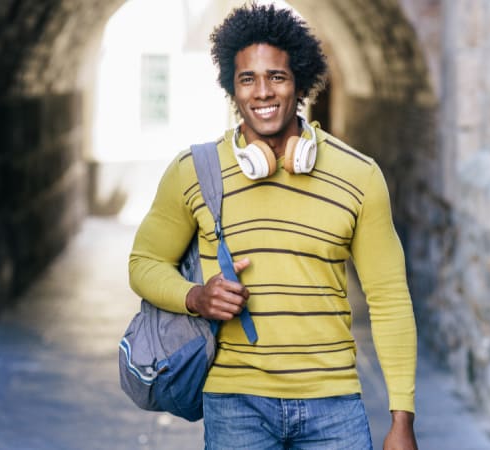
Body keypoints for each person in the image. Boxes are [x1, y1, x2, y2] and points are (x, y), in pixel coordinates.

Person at [129, 3, 418, 449]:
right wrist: (196, 297)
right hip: (234, 405)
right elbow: (144, 263)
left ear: (299, 81)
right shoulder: (193, 171)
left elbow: (389, 299)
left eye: (276, 77)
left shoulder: (359, 176)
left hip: (334, 404)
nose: (262, 92)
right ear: (233, 88)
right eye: (248, 79)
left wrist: (402, 419)